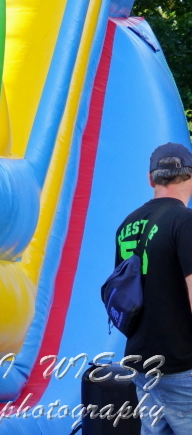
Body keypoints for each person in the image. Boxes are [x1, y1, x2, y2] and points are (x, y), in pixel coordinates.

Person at [113, 143, 192, 435]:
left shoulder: (126, 226)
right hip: (181, 362)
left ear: (150, 179)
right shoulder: (185, 221)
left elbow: (124, 293)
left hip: (141, 359)